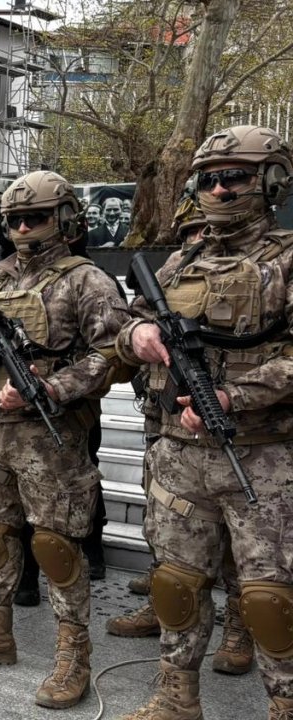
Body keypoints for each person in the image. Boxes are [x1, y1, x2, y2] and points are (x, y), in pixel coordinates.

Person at [116, 125, 293, 719]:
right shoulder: (178, 264)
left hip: (263, 457)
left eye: (234, 177)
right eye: (208, 179)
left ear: (270, 182)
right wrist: (135, 334)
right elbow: (122, 330)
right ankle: (175, 699)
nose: (218, 190)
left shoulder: (288, 259)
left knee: (270, 599)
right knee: (176, 584)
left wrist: (233, 395)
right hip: (178, 452)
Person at [0, 170, 129, 709]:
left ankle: (74, 656)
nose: (23, 228)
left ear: (65, 219)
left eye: (36, 217)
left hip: (51, 439)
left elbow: (115, 356)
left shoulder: (86, 281)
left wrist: (51, 386)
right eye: (15, 220)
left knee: (56, 545)